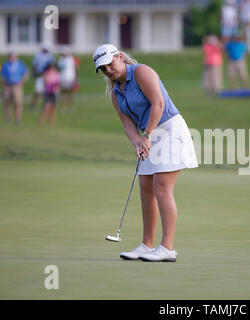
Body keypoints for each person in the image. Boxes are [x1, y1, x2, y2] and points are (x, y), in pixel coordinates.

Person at [93, 44, 198, 262]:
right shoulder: (115, 94)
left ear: (120, 57)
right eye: (103, 69)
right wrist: (137, 142)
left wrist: (147, 135)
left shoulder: (141, 72)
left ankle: (167, 248)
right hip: (151, 135)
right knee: (145, 188)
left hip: (169, 130)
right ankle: (147, 245)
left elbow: (158, 104)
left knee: (162, 186)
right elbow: (127, 124)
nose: (108, 70)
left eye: (110, 64)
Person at [1, 52, 29, 125]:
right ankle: (8, 118)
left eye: (13, 56)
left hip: (17, 86)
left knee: (18, 102)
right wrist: (4, 86)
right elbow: (3, 76)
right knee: (7, 102)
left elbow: (26, 74)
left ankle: (17, 118)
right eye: (10, 56)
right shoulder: (5, 65)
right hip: (8, 85)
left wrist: (22, 81)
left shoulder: (20, 64)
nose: (12, 58)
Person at [30, 43, 54, 110]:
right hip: (40, 75)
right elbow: (35, 65)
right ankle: (33, 104)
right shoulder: (38, 55)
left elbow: (52, 66)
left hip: (47, 75)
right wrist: (34, 73)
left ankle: (45, 104)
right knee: (37, 91)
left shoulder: (50, 56)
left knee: (47, 92)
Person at [57, 46, 77, 111]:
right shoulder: (60, 59)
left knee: (70, 92)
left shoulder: (71, 59)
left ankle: (70, 106)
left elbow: (74, 69)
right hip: (62, 78)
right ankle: (63, 106)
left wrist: (75, 78)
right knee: (63, 92)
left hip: (70, 77)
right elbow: (59, 68)